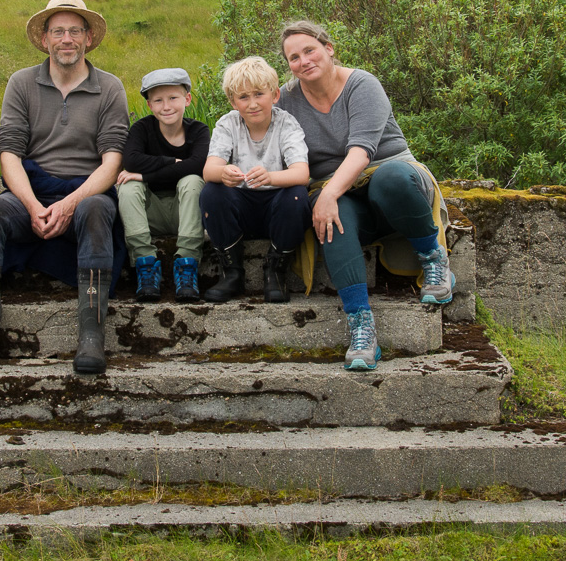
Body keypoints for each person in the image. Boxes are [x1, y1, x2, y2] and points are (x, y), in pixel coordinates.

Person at [0, 0, 129, 375]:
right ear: (44, 38)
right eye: (58, 31)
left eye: (75, 31)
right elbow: (8, 153)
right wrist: (31, 205)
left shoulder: (109, 87)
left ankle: (91, 337)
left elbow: (112, 163)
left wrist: (68, 204)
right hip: (32, 190)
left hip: (86, 191)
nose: (66, 39)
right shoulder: (21, 83)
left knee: (97, 209)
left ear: (88, 38)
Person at [274, 19, 454, 371]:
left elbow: (362, 150)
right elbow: (260, 122)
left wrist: (326, 194)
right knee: (333, 215)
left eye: (309, 50)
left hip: (393, 181)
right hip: (345, 196)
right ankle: (361, 326)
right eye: (293, 57)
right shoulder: (288, 98)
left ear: (328, 49)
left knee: (389, 179)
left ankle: (434, 259)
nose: (303, 61)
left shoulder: (362, 84)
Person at [199, 56, 312, 303]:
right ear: (233, 101)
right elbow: (209, 170)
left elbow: (301, 174)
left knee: (296, 195)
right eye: (243, 97)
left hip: (276, 207)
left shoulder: (287, 124)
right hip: (241, 206)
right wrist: (223, 172)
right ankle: (232, 271)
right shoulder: (228, 123)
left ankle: (276, 269)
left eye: (259, 94)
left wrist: (271, 176)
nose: (252, 104)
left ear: (274, 95)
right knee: (211, 192)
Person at [117, 68, 209, 301]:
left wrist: (146, 175)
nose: (166, 106)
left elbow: (198, 165)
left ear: (187, 99)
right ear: (149, 105)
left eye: (173, 98)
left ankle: (187, 263)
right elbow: (131, 160)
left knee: (192, 180)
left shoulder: (198, 131)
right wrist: (172, 162)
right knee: (127, 186)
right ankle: (145, 263)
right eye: (158, 100)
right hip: (150, 214)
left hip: (185, 212)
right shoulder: (142, 128)